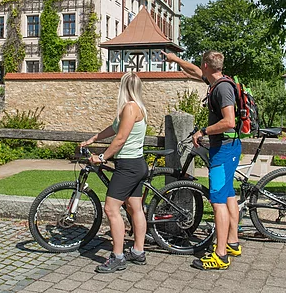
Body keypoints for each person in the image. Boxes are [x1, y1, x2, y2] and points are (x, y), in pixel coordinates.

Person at [162, 50, 242, 270]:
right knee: (228, 196)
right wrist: (176, 60)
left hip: (224, 150)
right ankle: (233, 242)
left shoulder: (223, 89)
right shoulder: (217, 82)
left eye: (201, 63)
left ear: (207, 64)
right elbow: (195, 71)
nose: (200, 67)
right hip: (227, 148)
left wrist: (202, 131)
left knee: (217, 202)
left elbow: (229, 122)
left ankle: (221, 255)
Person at [80, 72, 148, 273]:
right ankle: (138, 251)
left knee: (111, 209)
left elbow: (120, 139)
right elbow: (115, 128)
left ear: (123, 87)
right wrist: (94, 138)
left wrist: (102, 158)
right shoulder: (138, 107)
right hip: (137, 164)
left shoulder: (129, 107)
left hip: (128, 166)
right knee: (135, 207)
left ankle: (117, 256)